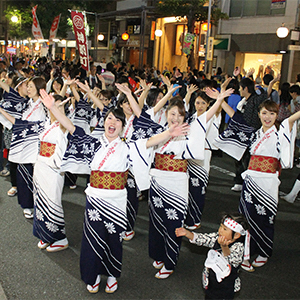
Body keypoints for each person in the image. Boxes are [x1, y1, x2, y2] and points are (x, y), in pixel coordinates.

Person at [40, 89, 189, 294]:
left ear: (122, 126)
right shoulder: (93, 143)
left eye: (117, 121)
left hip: (117, 201)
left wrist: (169, 134)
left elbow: (149, 143)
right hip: (95, 200)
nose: (112, 122)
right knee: (93, 240)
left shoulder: (128, 147)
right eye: (109, 118)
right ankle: (92, 276)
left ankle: (111, 275)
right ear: (104, 122)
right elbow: (70, 126)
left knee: (113, 240)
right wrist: (52, 108)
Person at [131, 88, 233, 279]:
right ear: (166, 115)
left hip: (177, 184)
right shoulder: (160, 131)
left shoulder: (190, 133)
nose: (175, 118)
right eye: (172, 114)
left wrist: (219, 100)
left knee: (174, 223)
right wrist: (169, 132)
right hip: (158, 182)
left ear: (184, 117)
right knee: (156, 222)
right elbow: (143, 128)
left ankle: (170, 262)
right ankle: (159, 255)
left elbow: (206, 118)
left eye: (179, 115)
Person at [209, 90, 300, 272]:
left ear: (276, 115)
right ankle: (246, 252)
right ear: (258, 114)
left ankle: (264, 251)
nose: (267, 117)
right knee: (246, 218)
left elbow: (290, 120)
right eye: (264, 113)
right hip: (250, 182)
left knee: (265, 218)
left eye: (272, 113)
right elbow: (237, 119)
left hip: (268, 183)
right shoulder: (255, 133)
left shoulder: (280, 133)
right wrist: (221, 100)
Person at [0, 94, 69, 252]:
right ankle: (46, 235)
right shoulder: (45, 123)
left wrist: (57, 108)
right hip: (40, 166)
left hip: (54, 169)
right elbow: (22, 126)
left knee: (53, 201)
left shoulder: (63, 125)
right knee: (40, 200)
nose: (55, 110)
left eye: (59, 107)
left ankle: (60, 238)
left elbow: (64, 130)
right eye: (52, 106)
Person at [175, 212, 249, 300]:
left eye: (225, 229)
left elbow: (232, 261)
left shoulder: (238, 247)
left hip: (226, 286)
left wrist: (224, 247)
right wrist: (188, 234)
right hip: (211, 279)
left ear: (236, 235)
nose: (220, 230)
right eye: (221, 226)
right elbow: (205, 239)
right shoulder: (218, 237)